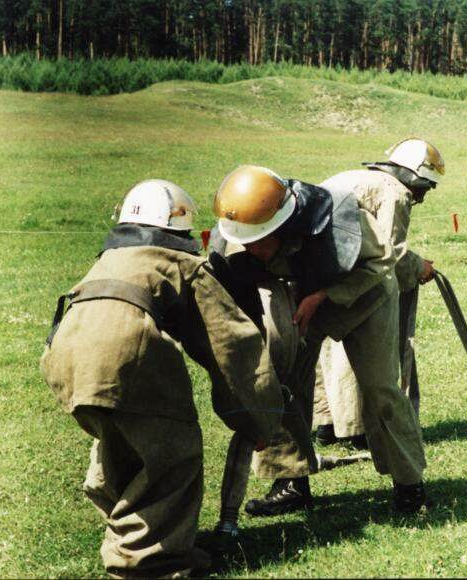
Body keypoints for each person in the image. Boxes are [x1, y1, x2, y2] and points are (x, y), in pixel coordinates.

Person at [40, 179, 285, 577]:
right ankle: (149, 561)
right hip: (125, 353)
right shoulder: (182, 263)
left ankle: (130, 531)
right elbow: (231, 344)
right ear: (181, 230)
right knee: (172, 454)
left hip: (64, 356)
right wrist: (259, 417)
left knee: (120, 441)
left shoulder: (110, 258)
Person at [210, 165, 429, 516]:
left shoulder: (338, 218)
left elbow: (381, 262)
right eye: (246, 244)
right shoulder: (240, 233)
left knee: (380, 388)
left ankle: (409, 485)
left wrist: (324, 294)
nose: (251, 251)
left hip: (365, 295)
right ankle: (290, 482)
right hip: (301, 301)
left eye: (259, 243)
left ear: (281, 226)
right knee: (283, 383)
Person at [313, 138, 445, 448]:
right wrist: (419, 267)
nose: (422, 197)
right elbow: (390, 253)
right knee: (361, 341)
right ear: (412, 176)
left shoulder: (354, 177)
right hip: (353, 273)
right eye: (424, 187)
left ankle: (328, 423)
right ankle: (355, 429)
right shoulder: (395, 192)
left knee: (329, 347)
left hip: (322, 267)